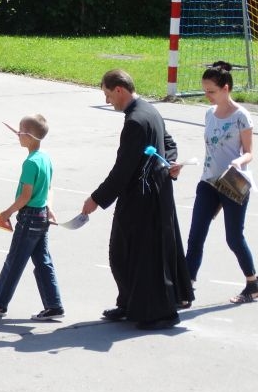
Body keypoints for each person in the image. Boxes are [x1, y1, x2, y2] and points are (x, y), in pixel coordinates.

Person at [81, 69, 194, 330]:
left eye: (108, 95)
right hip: (156, 193)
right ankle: (129, 303)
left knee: (133, 256)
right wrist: (171, 162)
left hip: (142, 198)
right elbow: (169, 143)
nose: (108, 101)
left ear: (119, 90)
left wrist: (96, 199)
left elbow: (123, 169)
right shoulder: (149, 110)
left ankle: (161, 313)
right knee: (129, 254)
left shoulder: (135, 121)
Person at [184, 62, 258, 303]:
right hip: (208, 182)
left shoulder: (241, 116)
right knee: (196, 235)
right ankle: (186, 286)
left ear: (225, 88)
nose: (207, 95)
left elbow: (249, 152)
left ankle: (253, 283)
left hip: (232, 182)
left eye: (211, 91)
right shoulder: (209, 113)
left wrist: (238, 161)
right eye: (205, 90)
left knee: (234, 238)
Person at [0, 114, 64, 320]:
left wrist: (8, 212)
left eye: (20, 131)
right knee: (42, 260)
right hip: (42, 215)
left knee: (14, 261)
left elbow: (25, 196)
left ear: (29, 136)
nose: (17, 134)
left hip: (29, 217)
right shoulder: (45, 158)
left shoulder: (30, 163)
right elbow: (49, 188)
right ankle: (54, 305)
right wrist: (49, 208)